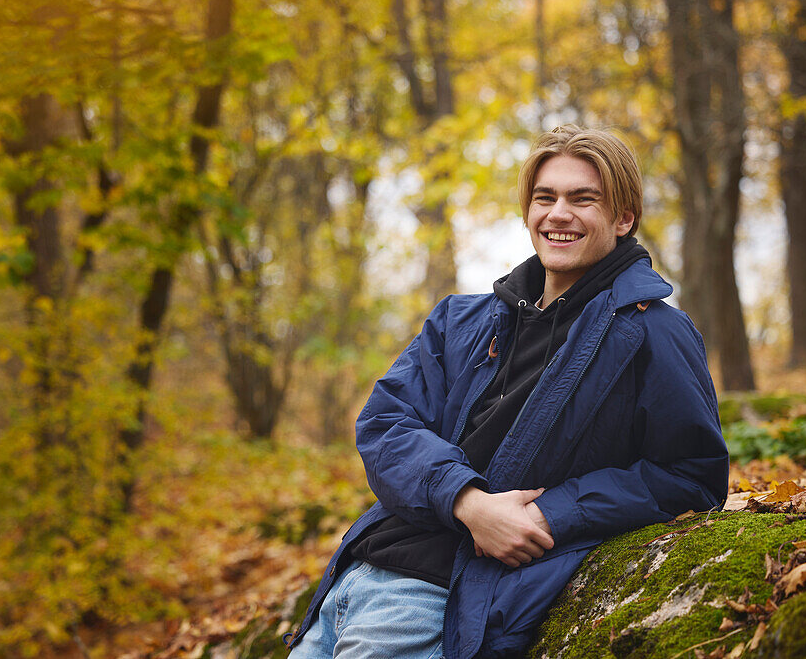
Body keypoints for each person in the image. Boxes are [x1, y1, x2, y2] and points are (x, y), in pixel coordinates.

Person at [285, 125, 729, 659]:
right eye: (545, 198)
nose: (558, 214)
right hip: (353, 573)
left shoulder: (654, 331)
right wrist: (468, 502)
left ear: (623, 218)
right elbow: (385, 425)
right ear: (527, 213)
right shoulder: (461, 319)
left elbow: (690, 476)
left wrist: (552, 514)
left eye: (582, 199)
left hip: (433, 596)